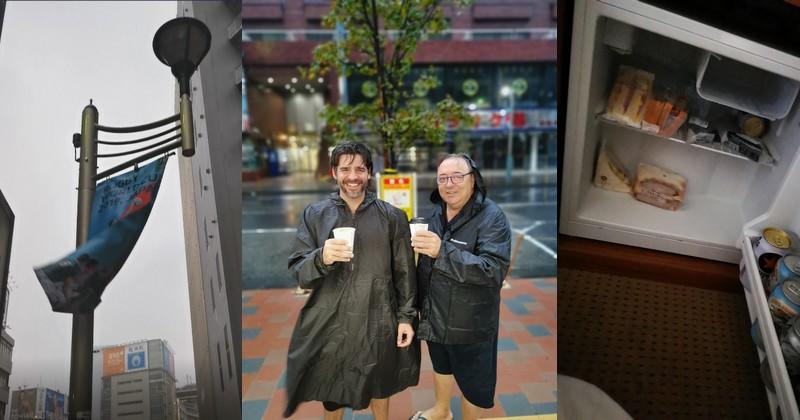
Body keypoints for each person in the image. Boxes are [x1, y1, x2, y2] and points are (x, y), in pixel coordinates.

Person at [284, 141, 420, 419]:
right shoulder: (315, 215)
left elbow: (405, 271)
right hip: (332, 321)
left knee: (380, 385)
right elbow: (299, 271)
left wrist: (406, 317)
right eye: (345, 169)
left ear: (369, 172)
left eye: (360, 169)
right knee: (332, 391)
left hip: (378, 318)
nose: (353, 176)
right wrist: (322, 257)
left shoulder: (392, 216)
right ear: (334, 173)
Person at [410, 154, 512, 420]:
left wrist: (442, 251)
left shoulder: (492, 217)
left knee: (473, 385)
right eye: (443, 178)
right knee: (441, 366)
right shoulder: (437, 214)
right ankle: (442, 410)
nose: (449, 184)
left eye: (456, 177)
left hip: (471, 323)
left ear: (473, 180)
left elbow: (493, 270)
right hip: (435, 314)